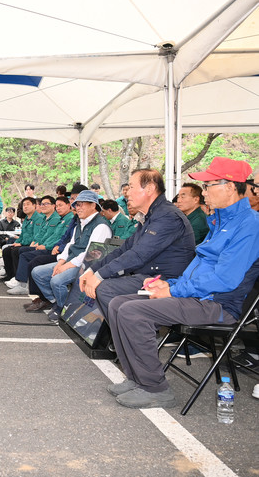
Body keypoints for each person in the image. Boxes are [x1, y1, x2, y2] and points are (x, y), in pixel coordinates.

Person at [105, 157, 259, 409]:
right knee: (117, 304)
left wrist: (173, 290)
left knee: (133, 311)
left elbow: (224, 279)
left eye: (208, 186)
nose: (204, 192)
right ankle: (136, 377)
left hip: (217, 304)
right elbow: (199, 268)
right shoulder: (220, 221)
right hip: (196, 295)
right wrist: (169, 284)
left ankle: (156, 389)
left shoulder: (249, 225)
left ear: (230, 187)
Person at [79, 169, 195, 317]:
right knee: (104, 282)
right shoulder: (151, 215)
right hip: (148, 275)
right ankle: (121, 329)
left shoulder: (167, 216)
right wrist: (92, 270)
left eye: (132, 187)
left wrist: (98, 276)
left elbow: (138, 255)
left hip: (165, 280)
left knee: (104, 289)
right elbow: (124, 249)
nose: (127, 193)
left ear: (150, 188)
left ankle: (131, 330)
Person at [29, 191, 113, 312]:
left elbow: (90, 254)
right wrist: (60, 262)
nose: (77, 208)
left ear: (93, 205)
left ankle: (65, 311)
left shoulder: (101, 226)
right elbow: (70, 244)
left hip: (86, 266)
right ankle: (56, 302)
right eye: (76, 205)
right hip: (72, 261)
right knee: (37, 272)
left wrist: (66, 266)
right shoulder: (80, 222)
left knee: (57, 281)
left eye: (81, 204)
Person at [7, 196, 74, 295]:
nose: (58, 208)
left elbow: (62, 239)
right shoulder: (61, 219)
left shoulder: (66, 219)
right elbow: (48, 235)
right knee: (15, 250)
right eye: (42, 204)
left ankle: (24, 284)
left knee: (27, 256)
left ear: (68, 205)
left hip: (57, 251)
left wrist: (46, 246)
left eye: (60, 205)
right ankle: (19, 280)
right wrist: (39, 243)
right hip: (50, 247)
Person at [4, 195, 60, 287]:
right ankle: (13, 276)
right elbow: (38, 235)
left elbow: (52, 237)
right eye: (42, 204)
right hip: (38, 244)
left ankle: (21, 280)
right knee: (10, 248)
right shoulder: (32, 218)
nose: (25, 207)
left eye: (28, 204)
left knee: (20, 251)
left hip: (48, 248)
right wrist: (19, 242)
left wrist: (38, 244)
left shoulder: (48, 218)